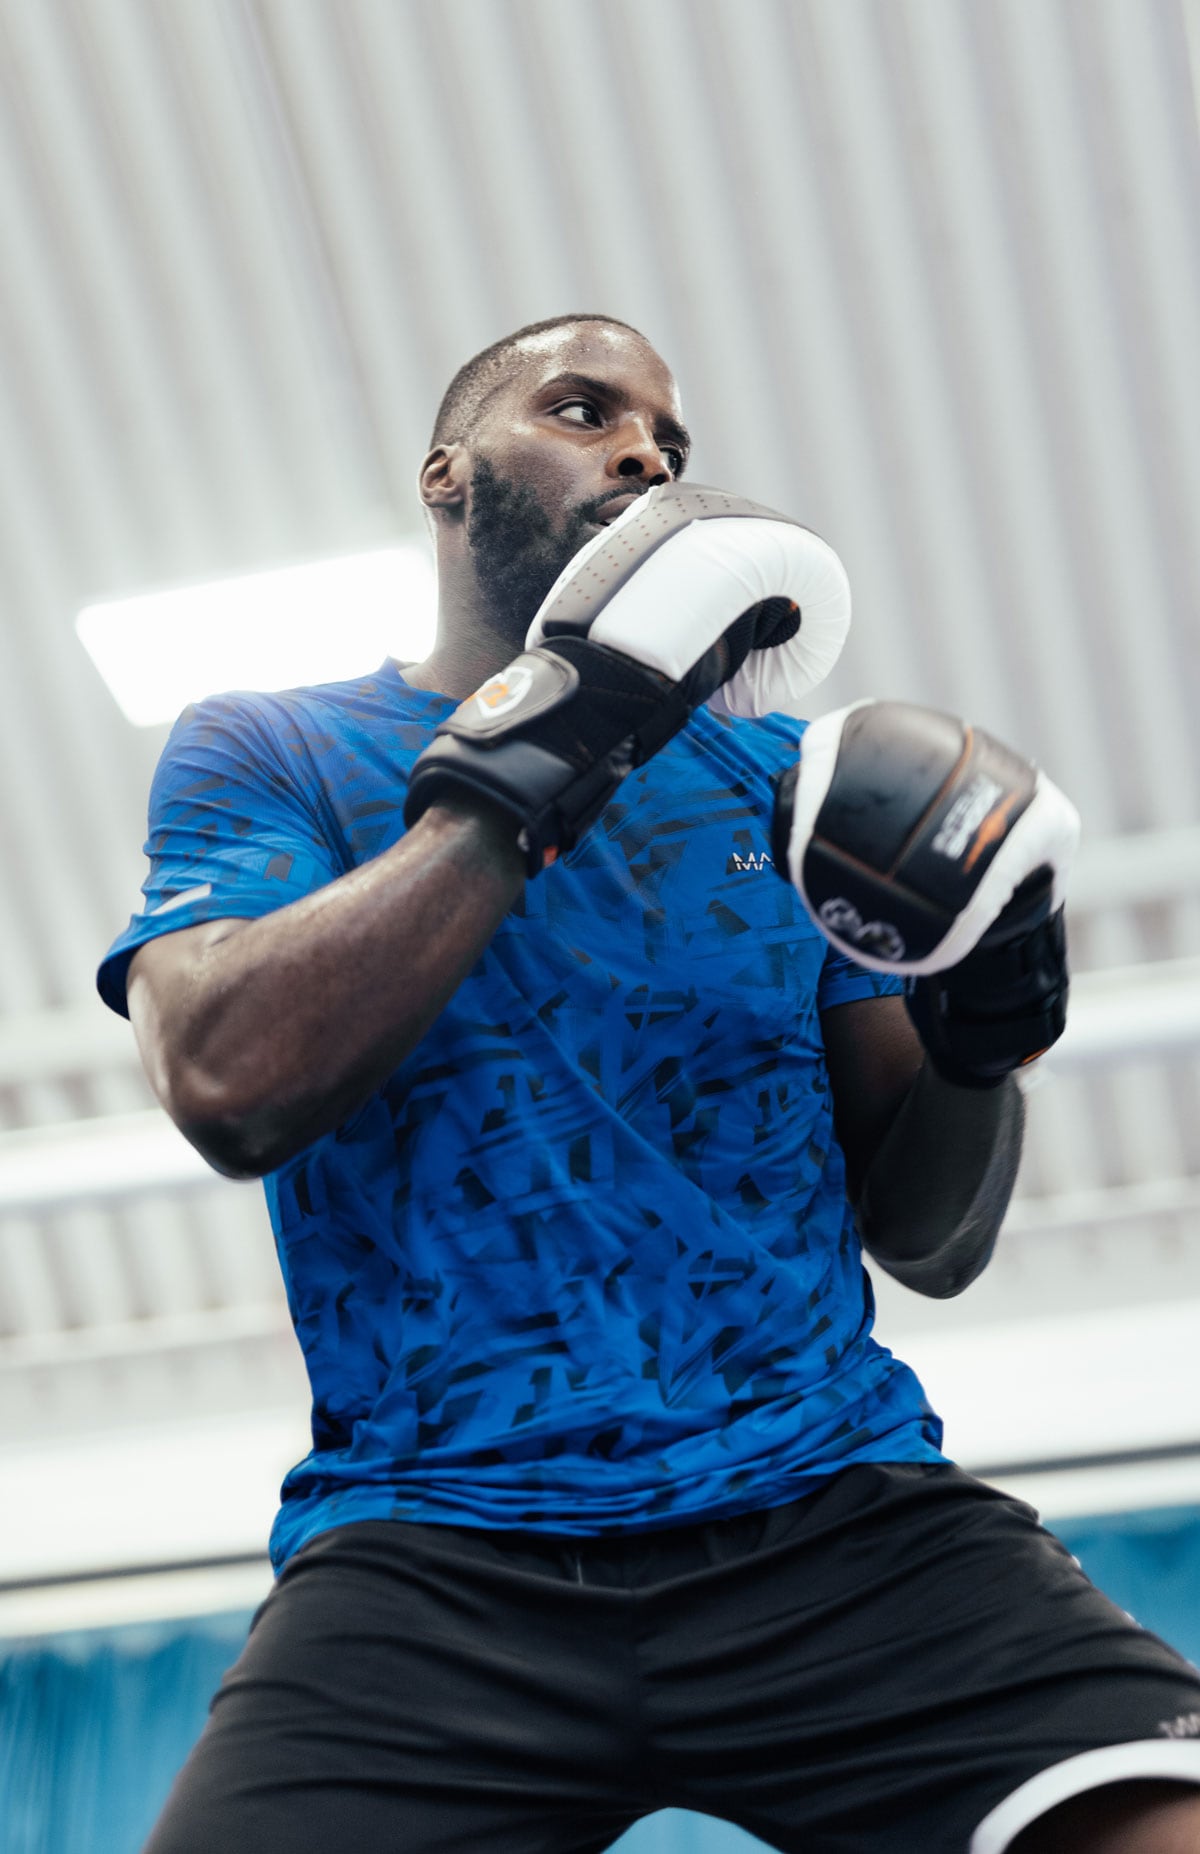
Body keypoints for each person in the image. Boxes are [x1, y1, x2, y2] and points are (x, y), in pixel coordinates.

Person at [98, 313, 1200, 1853]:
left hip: (832, 1506)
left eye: (671, 443)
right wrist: (559, 741)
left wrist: (984, 1029)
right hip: (436, 1544)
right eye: (580, 408)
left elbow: (929, 1236)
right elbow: (227, 1076)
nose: (644, 452)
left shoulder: (786, 785)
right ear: (449, 475)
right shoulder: (275, 746)